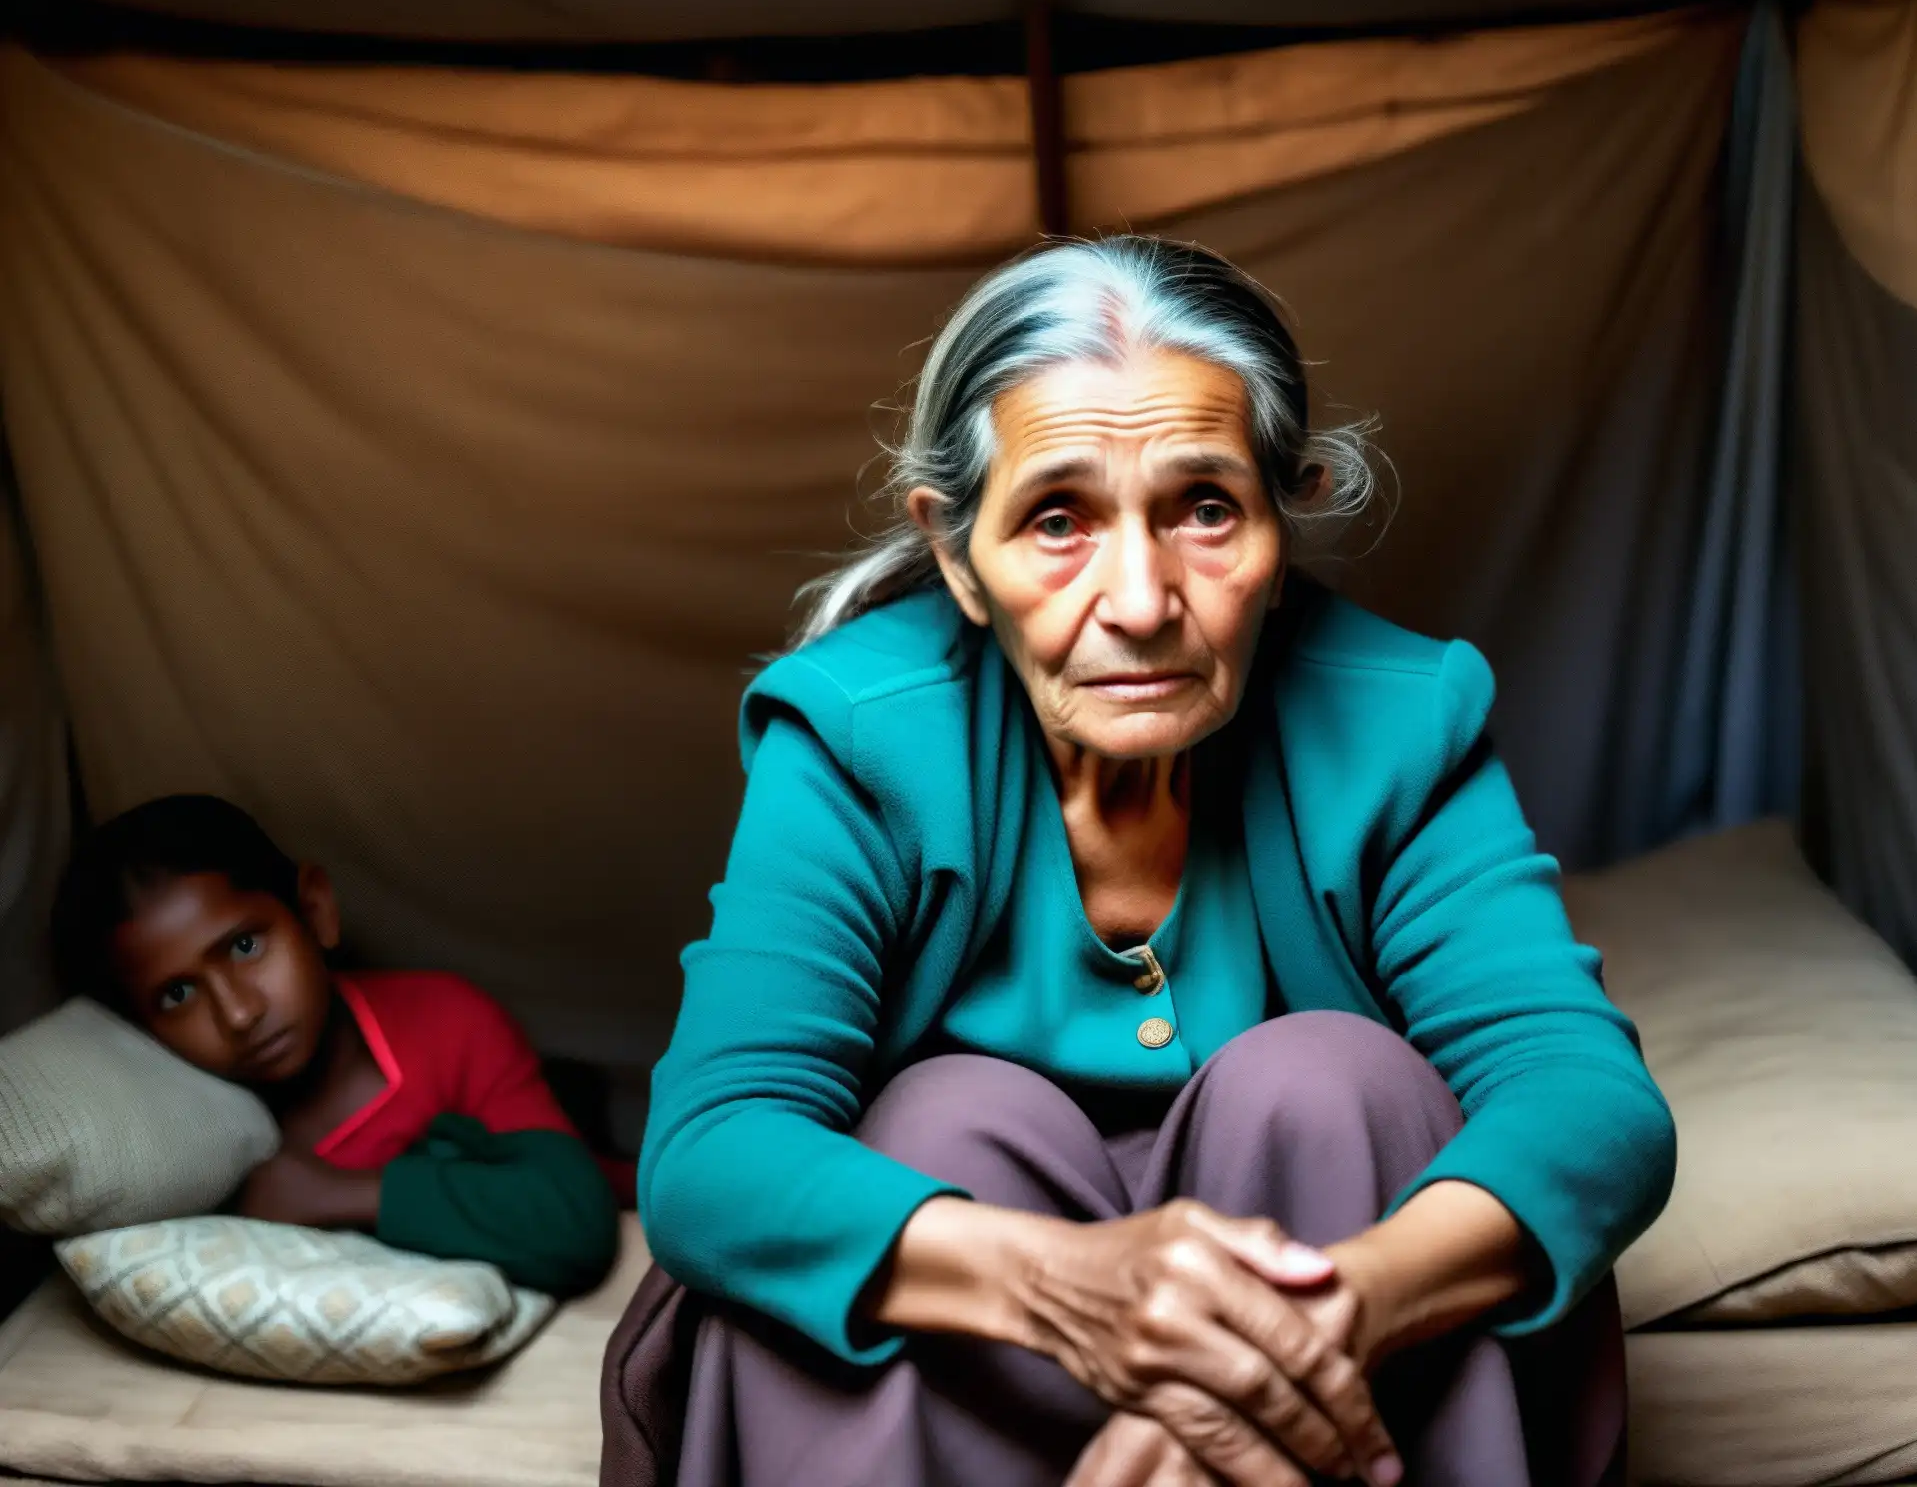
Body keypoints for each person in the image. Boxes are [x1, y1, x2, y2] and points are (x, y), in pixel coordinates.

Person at [625, 235, 1677, 1487]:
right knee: (945, 1125)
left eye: (1205, 509)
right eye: (1058, 520)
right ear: (960, 557)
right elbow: (711, 1147)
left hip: (1330, 1331)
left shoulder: (1394, 719)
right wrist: (1076, 1292)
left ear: (1283, 526)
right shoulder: (861, 732)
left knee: (1331, 1086)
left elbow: (1589, 1106)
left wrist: (1289, 1337)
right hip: (960, 1334)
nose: (1139, 598)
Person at [49, 793, 621, 1298]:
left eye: (246, 946)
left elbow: (578, 1221)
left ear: (315, 912)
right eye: (177, 995)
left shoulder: (446, 1023)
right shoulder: (185, 1131)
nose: (240, 1012)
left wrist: (335, 1194)